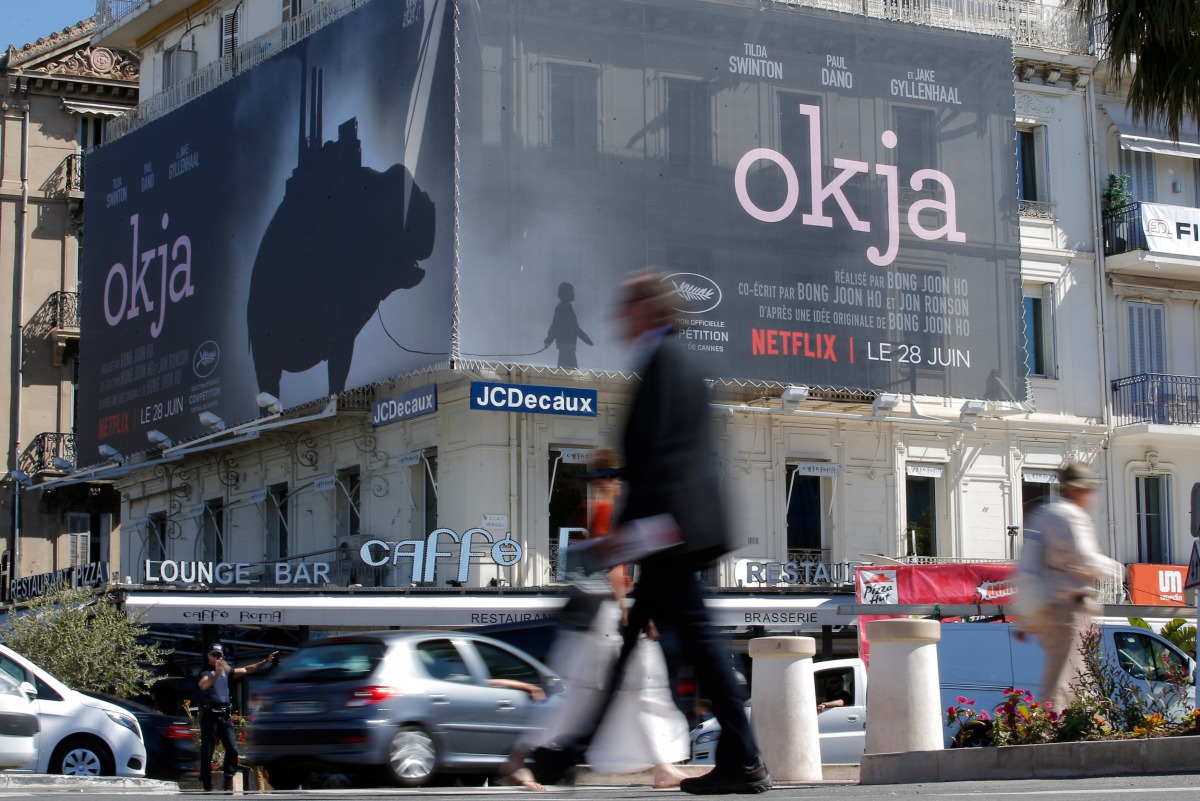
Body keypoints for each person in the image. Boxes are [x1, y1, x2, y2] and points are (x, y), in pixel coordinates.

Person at [532, 273, 771, 795]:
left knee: (696, 643)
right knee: (638, 645)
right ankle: (568, 754)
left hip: (670, 531)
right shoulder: (676, 363)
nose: (619, 316)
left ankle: (745, 757)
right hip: (674, 529)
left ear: (649, 308)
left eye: (626, 305)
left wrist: (625, 538)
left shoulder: (665, 364)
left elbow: (661, 461)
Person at [500, 447, 690, 791]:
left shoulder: (594, 510)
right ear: (607, 479)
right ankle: (662, 766)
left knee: (615, 692)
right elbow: (612, 566)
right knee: (636, 688)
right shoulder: (601, 510)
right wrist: (627, 609)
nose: (619, 484)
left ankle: (661, 765)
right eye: (616, 477)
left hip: (594, 619)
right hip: (603, 619)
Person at [1015, 460, 1121, 710]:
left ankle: (1082, 729)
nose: (1092, 497)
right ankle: (1051, 737)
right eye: (1089, 490)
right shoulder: (1069, 515)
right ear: (1077, 490)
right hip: (1066, 608)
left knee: (1077, 681)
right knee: (1065, 681)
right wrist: (1116, 571)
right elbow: (1083, 557)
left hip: (1050, 608)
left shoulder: (1045, 514)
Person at [197, 644, 278, 791]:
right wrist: (216, 673)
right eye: (214, 655)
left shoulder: (226, 672)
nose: (217, 658)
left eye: (219, 656)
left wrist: (265, 662)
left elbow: (247, 669)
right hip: (210, 716)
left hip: (224, 716)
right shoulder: (205, 672)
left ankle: (228, 779)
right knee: (207, 751)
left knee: (233, 748)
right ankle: (206, 783)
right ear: (208, 656)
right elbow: (204, 685)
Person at [544, 281, 593, 369]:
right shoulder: (563, 308)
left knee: (565, 371)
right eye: (572, 292)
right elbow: (559, 326)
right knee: (568, 371)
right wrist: (586, 338)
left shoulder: (564, 307)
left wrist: (548, 340)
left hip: (566, 346)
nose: (574, 294)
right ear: (566, 294)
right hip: (566, 347)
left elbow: (556, 326)